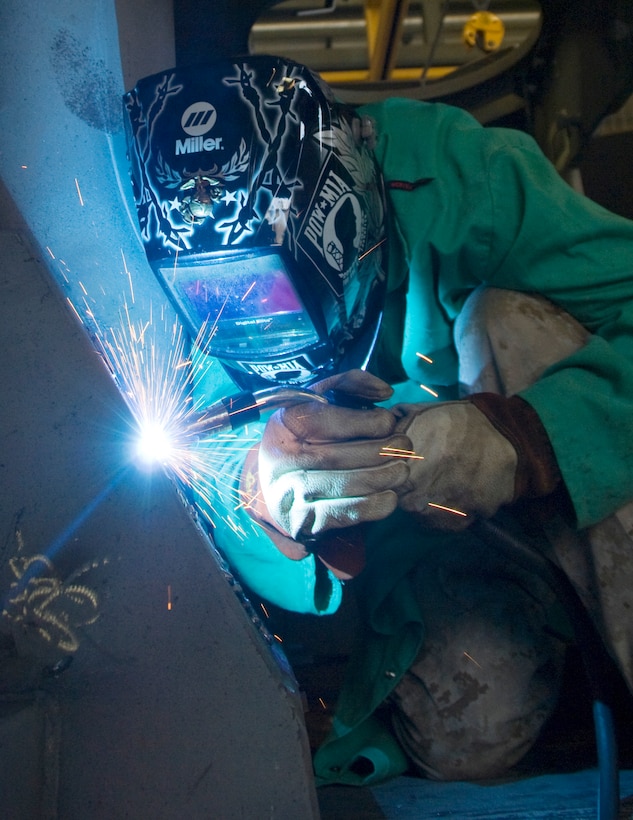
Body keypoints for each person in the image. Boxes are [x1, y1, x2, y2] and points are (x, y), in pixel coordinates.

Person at [124, 55, 633, 785]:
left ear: (342, 211)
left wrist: (527, 436)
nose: (254, 321)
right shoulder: (172, 268)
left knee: (508, 320)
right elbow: (196, 453)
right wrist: (257, 494)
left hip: (579, 480)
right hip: (434, 550)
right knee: (467, 734)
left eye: (266, 289)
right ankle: (555, 643)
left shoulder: (459, 175)